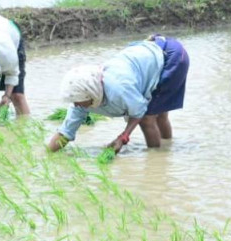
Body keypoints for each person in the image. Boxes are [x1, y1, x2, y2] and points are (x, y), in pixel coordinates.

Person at [45, 35, 189, 153]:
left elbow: (139, 111)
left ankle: (158, 160)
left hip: (171, 57)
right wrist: (46, 155)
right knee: (158, 113)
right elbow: (65, 133)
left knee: (149, 118)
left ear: (91, 93)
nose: (76, 104)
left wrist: (123, 137)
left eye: (79, 101)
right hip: (145, 55)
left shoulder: (119, 88)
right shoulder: (81, 99)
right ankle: (167, 148)